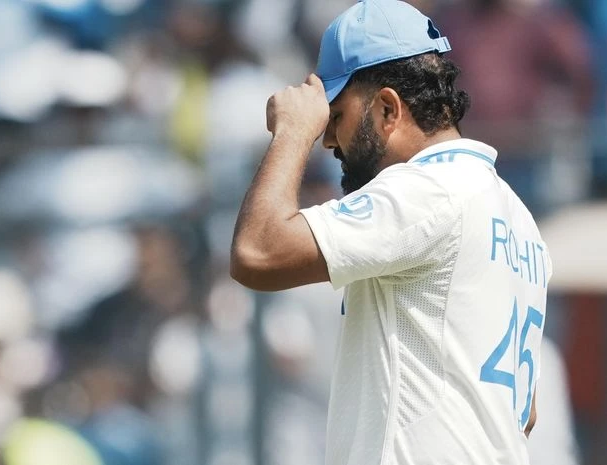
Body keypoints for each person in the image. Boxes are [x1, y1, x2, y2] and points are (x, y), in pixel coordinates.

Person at [230, 1, 553, 464]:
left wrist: (292, 134)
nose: (327, 140)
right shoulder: (518, 217)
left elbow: (257, 253)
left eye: (335, 116)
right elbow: (525, 412)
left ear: (387, 108)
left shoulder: (428, 189)